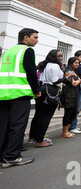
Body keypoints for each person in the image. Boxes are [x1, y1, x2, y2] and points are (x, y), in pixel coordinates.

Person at [0, 28, 40, 167]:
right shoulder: (27, 50)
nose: (37, 40)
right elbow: (31, 73)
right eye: (35, 37)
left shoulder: (7, 52)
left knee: (3, 126)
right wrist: (36, 91)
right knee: (17, 126)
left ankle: (2, 155)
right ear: (26, 38)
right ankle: (12, 156)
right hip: (19, 94)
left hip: (3, 94)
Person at [29, 50, 68, 147]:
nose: (60, 58)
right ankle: (39, 140)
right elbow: (55, 81)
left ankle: (33, 137)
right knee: (46, 116)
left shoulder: (45, 64)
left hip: (42, 89)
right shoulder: (54, 66)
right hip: (51, 91)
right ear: (53, 56)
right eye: (58, 56)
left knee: (38, 115)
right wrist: (66, 78)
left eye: (61, 56)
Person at [61, 57, 81, 138]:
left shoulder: (74, 72)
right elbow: (73, 83)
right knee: (68, 113)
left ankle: (67, 130)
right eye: (76, 63)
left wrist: (79, 81)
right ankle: (64, 132)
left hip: (75, 94)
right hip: (69, 95)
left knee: (74, 113)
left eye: (78, 63)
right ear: (71, 63)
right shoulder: (67, 71)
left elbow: (80, 81)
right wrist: (79, 81)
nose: (77, 64)